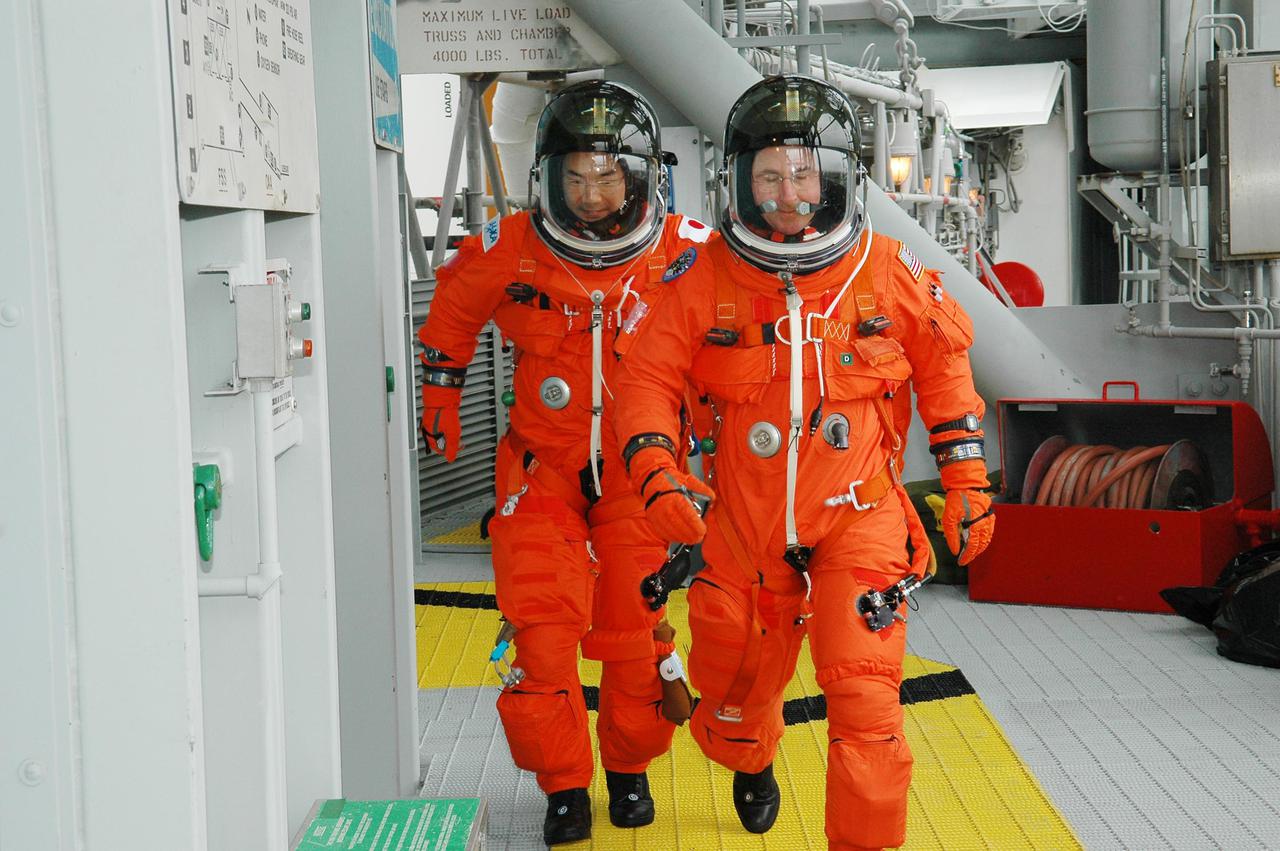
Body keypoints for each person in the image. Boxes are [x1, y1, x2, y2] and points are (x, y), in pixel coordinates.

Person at [613, 75, 995, 850]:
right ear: (741, 183)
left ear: (835, 178)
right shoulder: (705, 277)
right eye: (769, 175)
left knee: (865, 697)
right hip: (742, 522)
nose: (788, 193)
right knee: (730, 685)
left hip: (860, 516)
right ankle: (750, 758)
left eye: (802, 173)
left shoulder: (884, 270)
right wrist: (656, 469)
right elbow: (646, 378)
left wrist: (967, 483)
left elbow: (946, 374)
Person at [416, 79, 712, 846]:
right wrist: (441, 389)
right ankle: (564, 786)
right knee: (541, 643)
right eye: (575, 177)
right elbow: (452, 305)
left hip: (639, 479)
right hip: (541, 472)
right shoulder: (512, 246)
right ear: (548, 177)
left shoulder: (687, 252)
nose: (589, 194)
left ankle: (629, 768)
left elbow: (740, 332)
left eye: (607, 176)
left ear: (641, 176)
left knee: (634, 638)